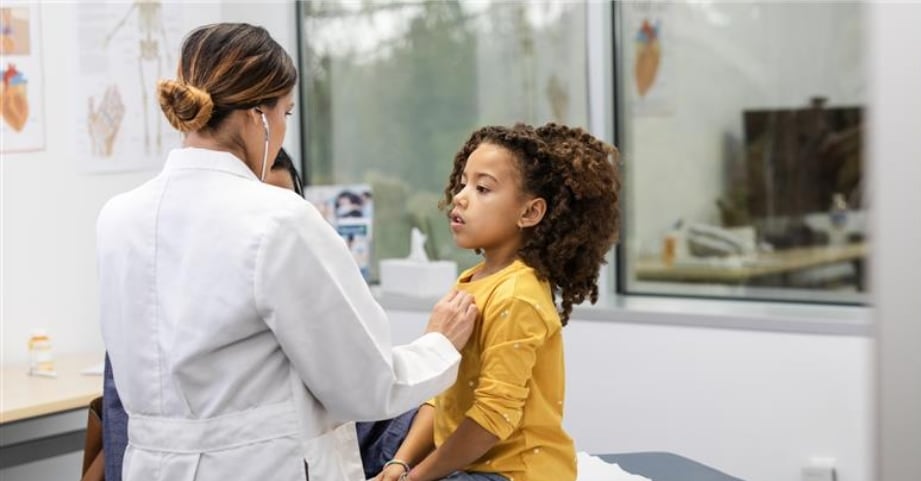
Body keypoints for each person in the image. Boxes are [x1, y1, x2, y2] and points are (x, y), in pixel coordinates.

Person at [97, 23, 477, 481]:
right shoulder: (279, 219)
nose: (282, 130)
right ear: (258, 115)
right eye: (287, 112)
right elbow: (365, 387)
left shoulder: (117, 217)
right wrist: (439, 343)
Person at [372, 123, 622, 481]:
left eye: (483, 188)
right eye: (462, 183)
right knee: (364, 422)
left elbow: (492, 418)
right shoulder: (470, 281)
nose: (460, 196)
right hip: (465, 462)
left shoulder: (518, 295)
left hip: (514, 474)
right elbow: (442, 397)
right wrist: (399, 464)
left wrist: (415, 478)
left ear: (530, 213)